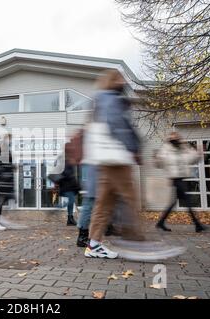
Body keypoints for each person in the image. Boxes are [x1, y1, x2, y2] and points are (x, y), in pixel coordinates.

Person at [85, 69, 144, 259]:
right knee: (129, 197)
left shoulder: (99, 100)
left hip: (105, 160)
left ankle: (93, 244)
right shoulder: (111, 98)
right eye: (120, 78)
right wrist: (133, 148)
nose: (123, 81)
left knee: (104, 204)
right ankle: (134, 241)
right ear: (113, 81)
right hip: (117, 157)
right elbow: (117, 124)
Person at [154, 132, 207, 232]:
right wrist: (158, 159)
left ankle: (160, 223)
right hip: (175, 178)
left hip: (181, 177)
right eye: (173, 137)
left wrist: (198, 154)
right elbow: (160, 162)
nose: (175, 138)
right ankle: (198, 225)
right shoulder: (166, 148)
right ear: (169, 139)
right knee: (187, 200)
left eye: (177, 137)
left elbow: (191, 159)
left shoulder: (183, 147)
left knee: (174, 202)